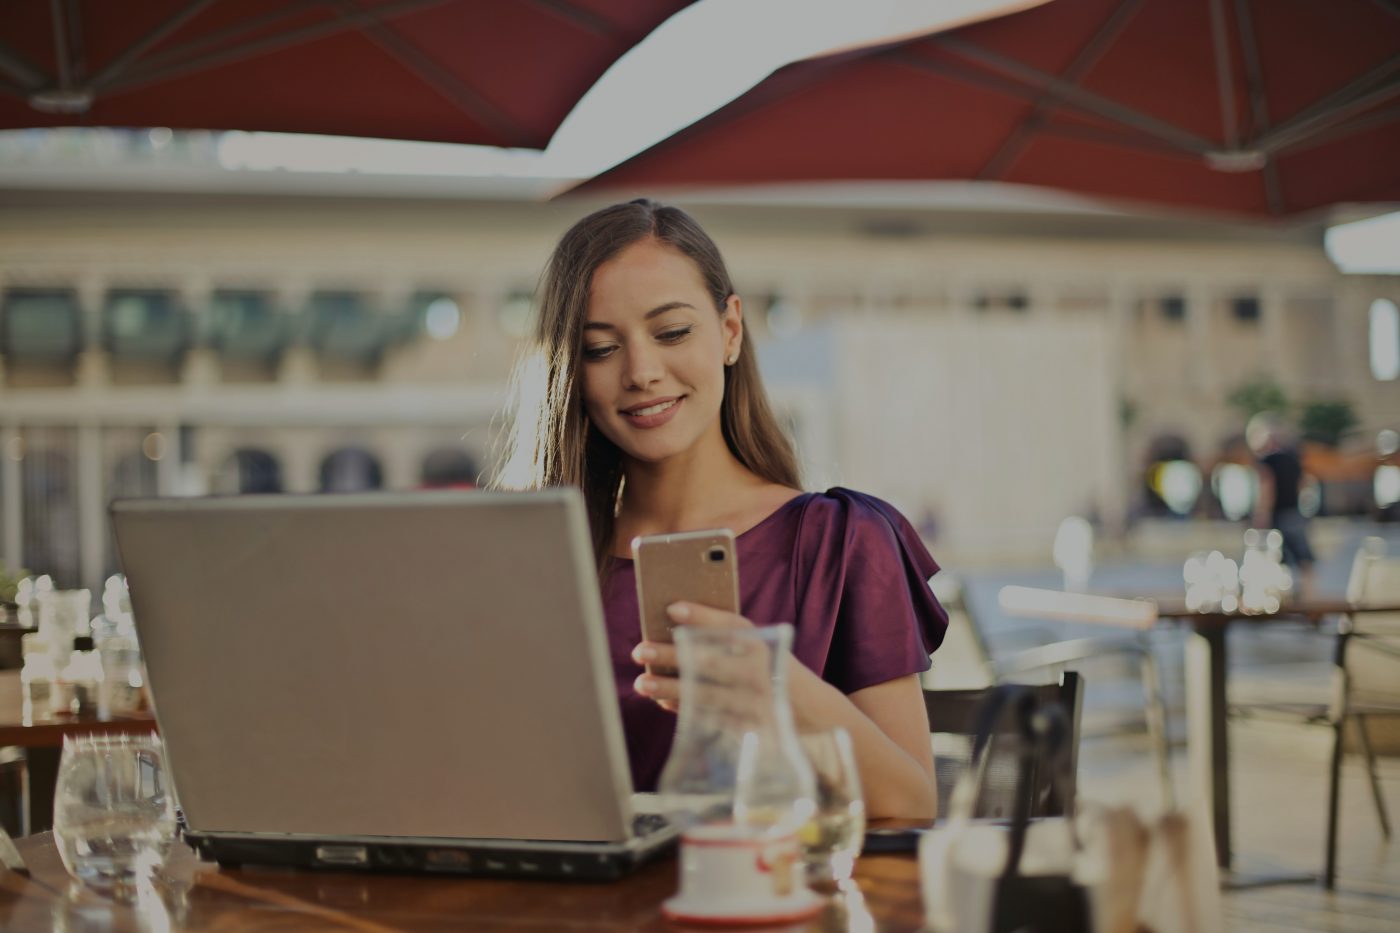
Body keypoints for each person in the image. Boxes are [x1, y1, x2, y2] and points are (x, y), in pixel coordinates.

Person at [496, 199, 946, 819]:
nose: (642, 372)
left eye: (672, 332)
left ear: (730, 330)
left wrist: (777, 690)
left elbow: (914, 802)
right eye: (601, 349)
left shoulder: (840, 540)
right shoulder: (532, 560)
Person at [1247, 412, 1316, 584]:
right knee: (1303, 560)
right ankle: (1310, 597)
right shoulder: (1293, 459)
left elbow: (1267, 488)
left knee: (1273, 557)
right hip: (1294, 513)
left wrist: (1261, 514)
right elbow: (1304, 484)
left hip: (1277, 515)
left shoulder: (1267, 461)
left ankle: (1279, 599)